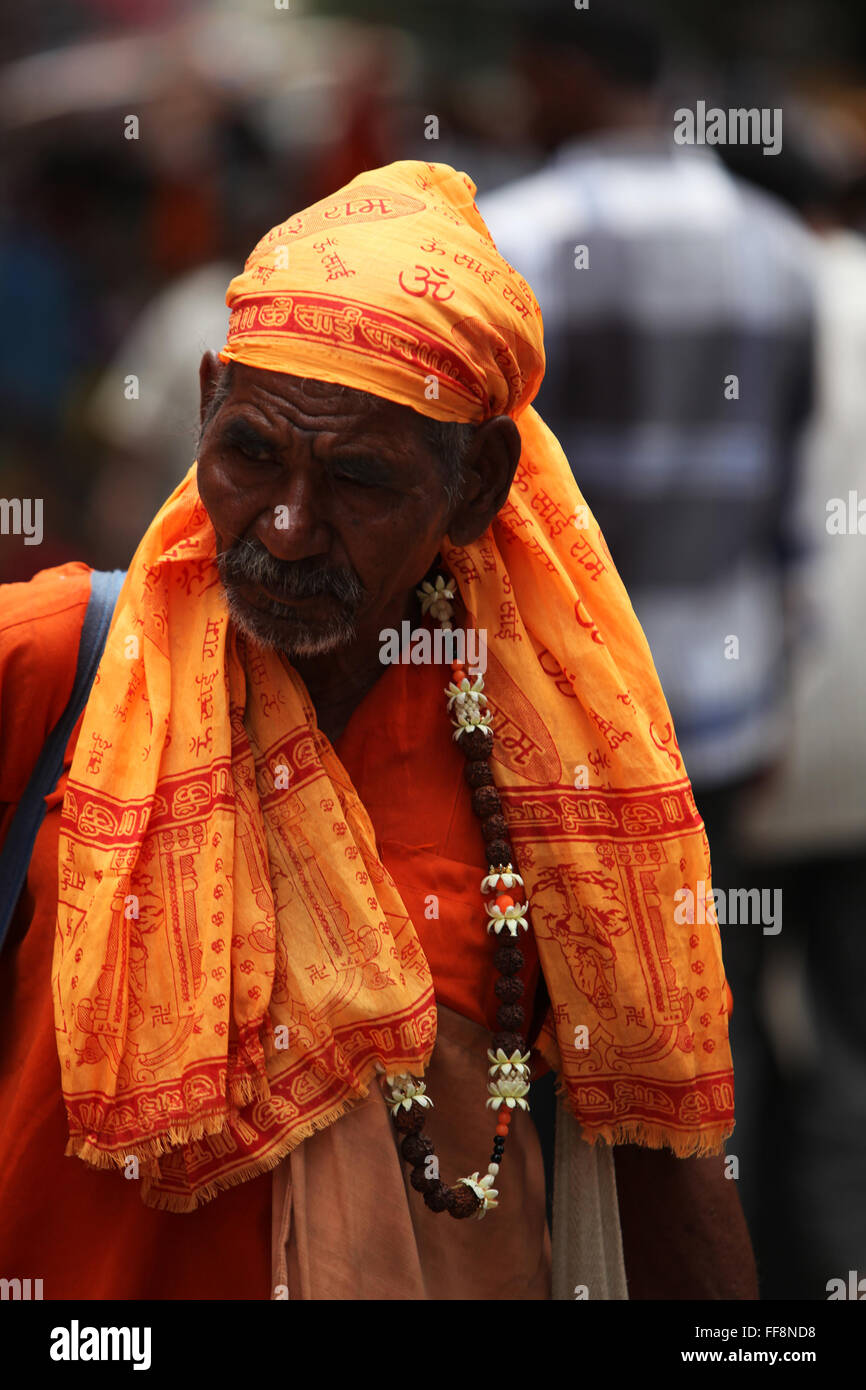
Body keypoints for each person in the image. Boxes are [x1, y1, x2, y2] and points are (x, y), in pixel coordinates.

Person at [0, 159, 755, 1301]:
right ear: (206, 403)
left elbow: (664, 1161)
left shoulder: (548, 763)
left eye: (356, 478)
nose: (289, 528)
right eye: (251, 454)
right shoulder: (54, 661)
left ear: (475, 486)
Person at [478, 3, 816, 1254]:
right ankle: (740, 1263)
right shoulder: (779, 247)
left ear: (557, 75)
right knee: (708, 1007)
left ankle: (589, 1265)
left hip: (555, 727)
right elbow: (786, 506)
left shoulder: (515, 239)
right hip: (722, 712)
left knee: (563, 1026)